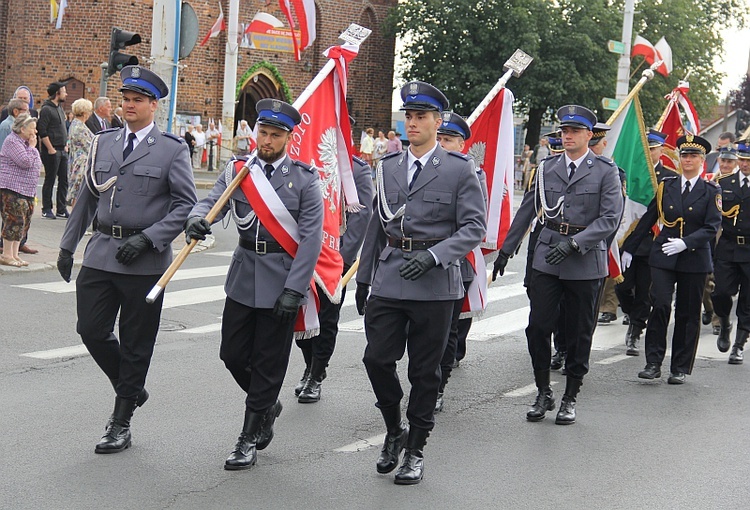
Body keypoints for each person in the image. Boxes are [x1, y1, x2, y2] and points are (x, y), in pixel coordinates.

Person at [56, 66, 197, 454]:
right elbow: (87, 197)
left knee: (137, 342)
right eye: (126, 99)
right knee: (91, 329)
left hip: (145, 262)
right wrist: (67, 247)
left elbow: (185, 204)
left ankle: (120, 421)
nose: (129, 105)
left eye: (137, 100)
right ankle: (132, 387)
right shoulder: (104, 142)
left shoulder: (172, 148)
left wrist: (149, 238)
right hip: (102, 253)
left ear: (154, 105)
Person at [355, 81, 486, 484]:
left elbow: (473, 228)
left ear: (437, 121)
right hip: (391, 275)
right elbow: (378, 224)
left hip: (434, 282)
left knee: (425, 371)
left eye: (421, 117)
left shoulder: (458, 168)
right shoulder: (387, 166)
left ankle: (416, 449)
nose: (412, 123)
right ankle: (395, 429)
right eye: (408, 116)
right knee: (376, 359)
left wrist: (434, 256)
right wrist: (363, 278)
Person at [184, 99, 323, 470]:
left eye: (275, 135)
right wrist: (197, 221)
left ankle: (248, 435)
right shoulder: (239, 171)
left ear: (288, 138)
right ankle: (267, 404)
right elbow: (211, 203)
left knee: (268, 362)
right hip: (245, 274)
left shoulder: (305, 179)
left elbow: (310, 239)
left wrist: (296, 289)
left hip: (282, 279)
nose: (266, 140)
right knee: (231, 354)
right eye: (262, 132)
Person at [493, 105, 622, 425]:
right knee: (538, 326)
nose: (567, 136)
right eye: (564, 131)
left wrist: (577, 243)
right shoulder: (547, 167)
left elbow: (610, 219)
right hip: (548, 256)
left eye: (575, 131)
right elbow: (528, 210)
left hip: (584, 259)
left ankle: (570, 396)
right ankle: (543, 391)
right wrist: (506, 250)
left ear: (589, 135)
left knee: (579, 332)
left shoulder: (605, 171)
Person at [621, 134, 721, 384]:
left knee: (688, 312)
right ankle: (653, 362)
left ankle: (679, 366)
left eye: (693, 156)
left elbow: (712, 227)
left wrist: (686, 242)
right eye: (684, 156)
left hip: (694, 259)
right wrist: (629, 248)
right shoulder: (667, 186)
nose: (687, 160)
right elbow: (649, 218)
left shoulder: (711, 191)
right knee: (661, 304)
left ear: (702, 161)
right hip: (664, 254)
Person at [293, 144, 374, 404]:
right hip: (303, 255)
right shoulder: (305, 162)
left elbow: (362, 215)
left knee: (326, 320)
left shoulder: (355, 170)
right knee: (301, 318)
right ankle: (310, 364)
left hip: (334, 257)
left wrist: (343, 257)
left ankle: (316, 374)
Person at [433, 110, 487, 412]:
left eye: (449, 139)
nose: (442, 144)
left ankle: (438, 385)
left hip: (457, 263)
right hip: (419, 260)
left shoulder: (473, 176)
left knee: (447, 329)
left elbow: (474, 227)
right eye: (440, 137)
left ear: (462, 144)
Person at [616, 129, 679, 356]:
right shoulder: (631, 172)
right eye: (647, 148)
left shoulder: (670, 176)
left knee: (645, 291)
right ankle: (632, 314)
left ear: (661, 150)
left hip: (654, 242)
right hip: (630, 240)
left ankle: (635, 331)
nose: (649, 152)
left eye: (653, 149)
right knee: (622, 285)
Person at [711, 141, 750, 363]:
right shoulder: (724, 183)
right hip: (728, 245)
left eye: (748, 161)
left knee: (748, 300)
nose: (745, 164)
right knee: (721, 293)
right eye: (742, 160)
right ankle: (724, 322)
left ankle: (739, 345)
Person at [0, 114, 42, 267]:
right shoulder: (12, 141)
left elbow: (36, 162)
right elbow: (25, 162)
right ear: (22, 128)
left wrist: (31, 148)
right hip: (12, 188)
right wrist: (32, 148)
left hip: (27, 190)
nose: (35, 132)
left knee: (24, 222)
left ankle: (15, 255)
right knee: (13, 220)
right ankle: (6, 254)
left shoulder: (26, 143)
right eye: (32, 128)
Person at [38, 81, 69, 220]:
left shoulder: (60, 108)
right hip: (52, 150)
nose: (66, 93)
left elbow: (63, 129)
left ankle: (61, 208)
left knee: (64, 180)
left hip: (62, 149)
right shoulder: (46, 109)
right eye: (64, 91)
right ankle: (46, 208)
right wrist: (50, 148)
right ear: (57, 93)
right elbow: (42, 131)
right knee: (50, 180)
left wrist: (65, 144)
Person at [66, 98, 95, 208]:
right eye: (89, 111)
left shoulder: (76, 124)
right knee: (78, 194)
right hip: (81, 163)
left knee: (78, 194)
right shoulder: (79, 127)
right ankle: (76, 221)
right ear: (84, 113)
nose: (90, 114)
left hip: (78, 161)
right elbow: (89, 146)